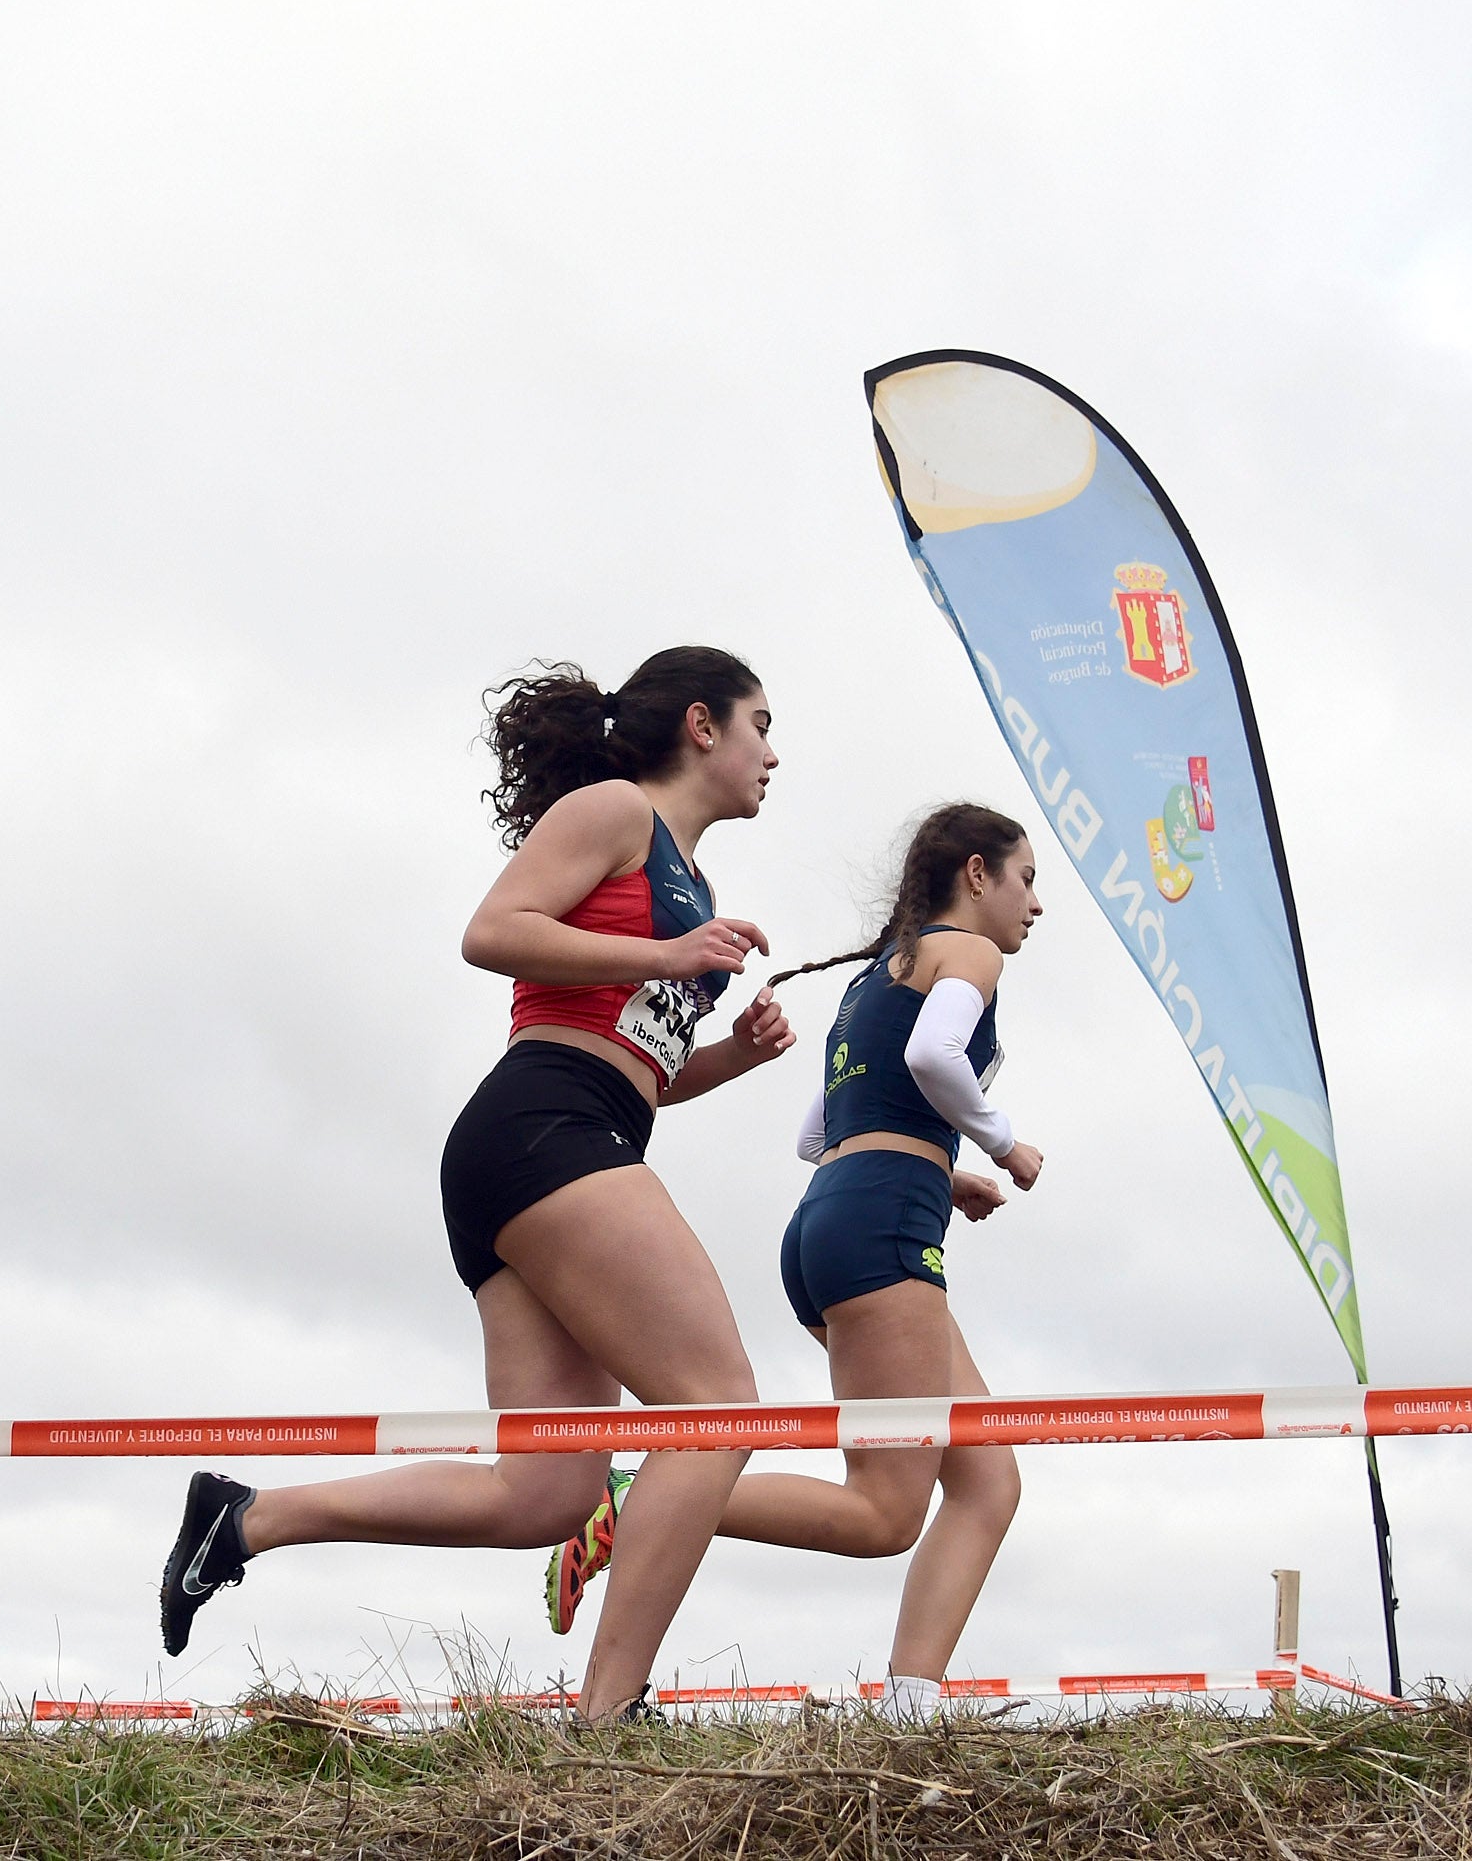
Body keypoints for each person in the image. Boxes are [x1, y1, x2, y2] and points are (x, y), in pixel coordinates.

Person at [157, 648, 795, 1721]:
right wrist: (668, 950)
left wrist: (733, 1054)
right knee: (718, 1407)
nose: (770, 754)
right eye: (760, 725)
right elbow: (491, 934)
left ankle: (245, 1517)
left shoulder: (692, 879)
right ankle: (606, 1715)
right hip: (542, 1126)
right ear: (700, 724)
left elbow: (638, 1066)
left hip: (560, 1133)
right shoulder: (613, 812)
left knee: (546, 1491)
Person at [547, 804, 1042, 1722]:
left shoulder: (874, 977)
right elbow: (937, 1056)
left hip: (832, 1222)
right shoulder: (971, 954)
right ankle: (647, 1492)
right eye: (1026, 878)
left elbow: (819, 1133)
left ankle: (908, 1710)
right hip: (886, 1229)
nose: (1034, 904)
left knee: (986, 1477)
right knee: (884, 1513)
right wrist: (1002, 1144)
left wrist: (946, 1167)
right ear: (978, 875)